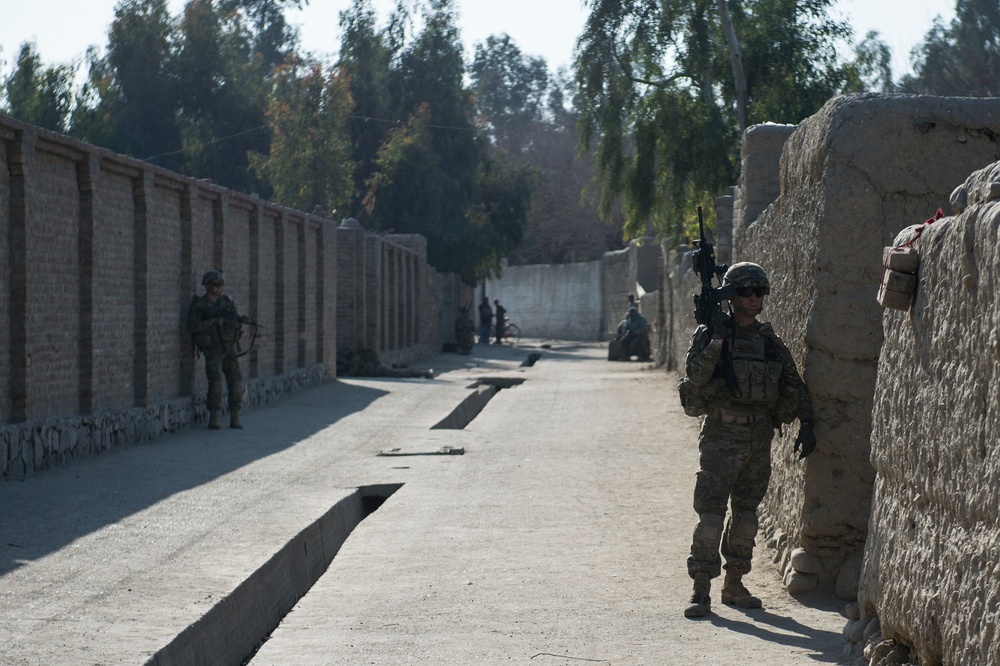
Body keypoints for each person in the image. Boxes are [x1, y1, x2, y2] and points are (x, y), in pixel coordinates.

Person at [680, 262, 816, 618]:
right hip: (721, 436)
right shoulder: (710, 335)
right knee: (711, 516)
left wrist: (807, 424)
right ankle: (700, 589)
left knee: (745, 517)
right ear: (731, 296)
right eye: (746, 292)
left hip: (758, 437)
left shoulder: (769, 341)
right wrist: (719, 339)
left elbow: (793, 385)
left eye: (759, 292)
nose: (754, 298)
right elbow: (694, 378)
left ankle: (735, 584)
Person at [189, 270, 245, 430]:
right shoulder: (199, 305)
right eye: (215, 284)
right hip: (213, 348)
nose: (218, 287)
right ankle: (213, 416)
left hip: (229, 346)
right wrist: (213, 321)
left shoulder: (226, 303)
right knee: (216, 381)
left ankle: (235, 415)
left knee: (235, 381)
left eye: (220, 284)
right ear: (207, 286)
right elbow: (193, 326)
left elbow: (236, 320)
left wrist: (236, 324)